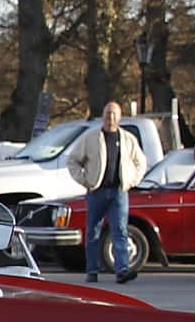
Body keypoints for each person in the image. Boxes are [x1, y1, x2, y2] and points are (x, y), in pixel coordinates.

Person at [63, 101, 149, 285]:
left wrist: (132, 181)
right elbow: (73, 161)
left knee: (120, 230)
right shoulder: (92, 138)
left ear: (119, 117)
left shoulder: (127, 139)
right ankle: (92, 270)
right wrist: (85, 180)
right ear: (103, 116)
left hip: (118, 191)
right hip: (97, 191)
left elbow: (140, 162)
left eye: (114, 114)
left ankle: (122, 270)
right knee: (93, 231)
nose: (110, 118)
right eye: (108, 114)